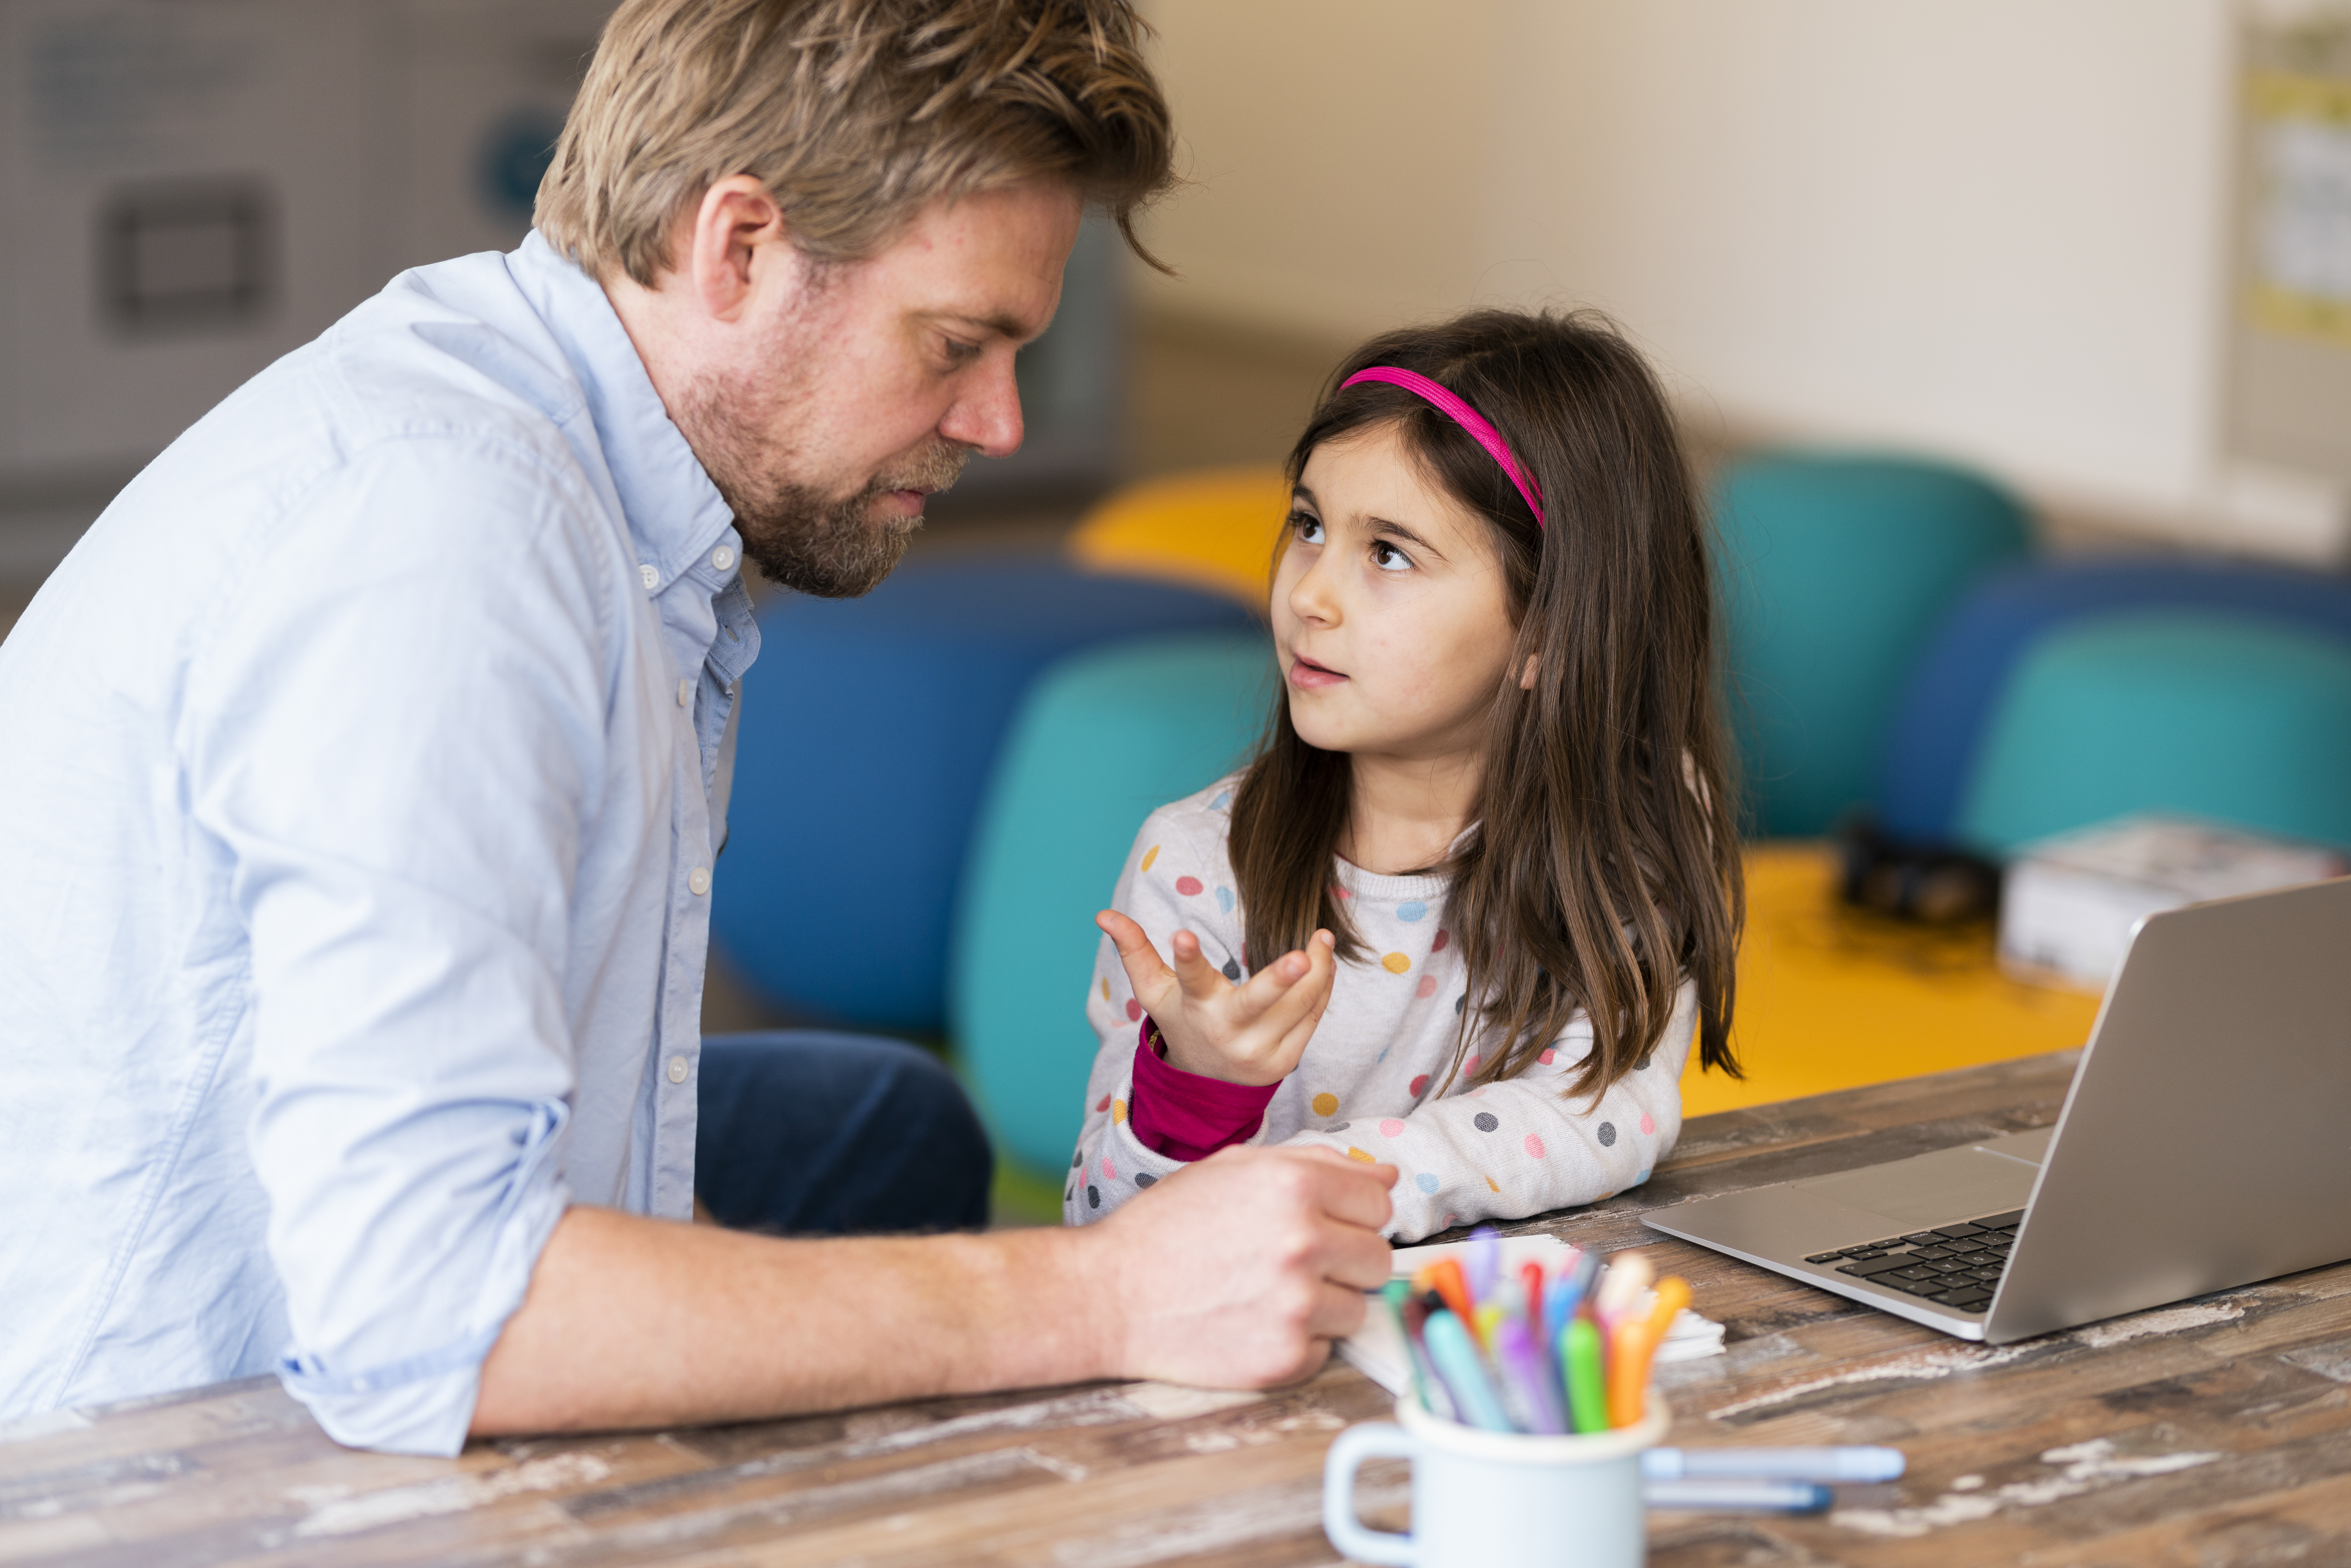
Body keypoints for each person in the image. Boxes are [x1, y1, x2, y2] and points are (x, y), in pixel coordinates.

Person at [0, 0, 1395, 1457]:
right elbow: (427, 1317)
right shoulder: (449, 545)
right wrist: (1104, 1295)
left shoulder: (548, 434)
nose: (999, 424)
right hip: (131, 1445)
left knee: (872, 1118)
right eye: (957, 344)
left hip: (292, 1224)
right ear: (738, 249)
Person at [1068, 310, 1745, 1241]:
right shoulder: (1195, 866)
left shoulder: (1632, 832)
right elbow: (1102, 1235)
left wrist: (1321, 1177)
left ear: (1549, 631)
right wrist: (1195, 1095)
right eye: (1308, 525)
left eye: (1388, 553)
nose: (1308, 593)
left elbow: (1605, 1112)